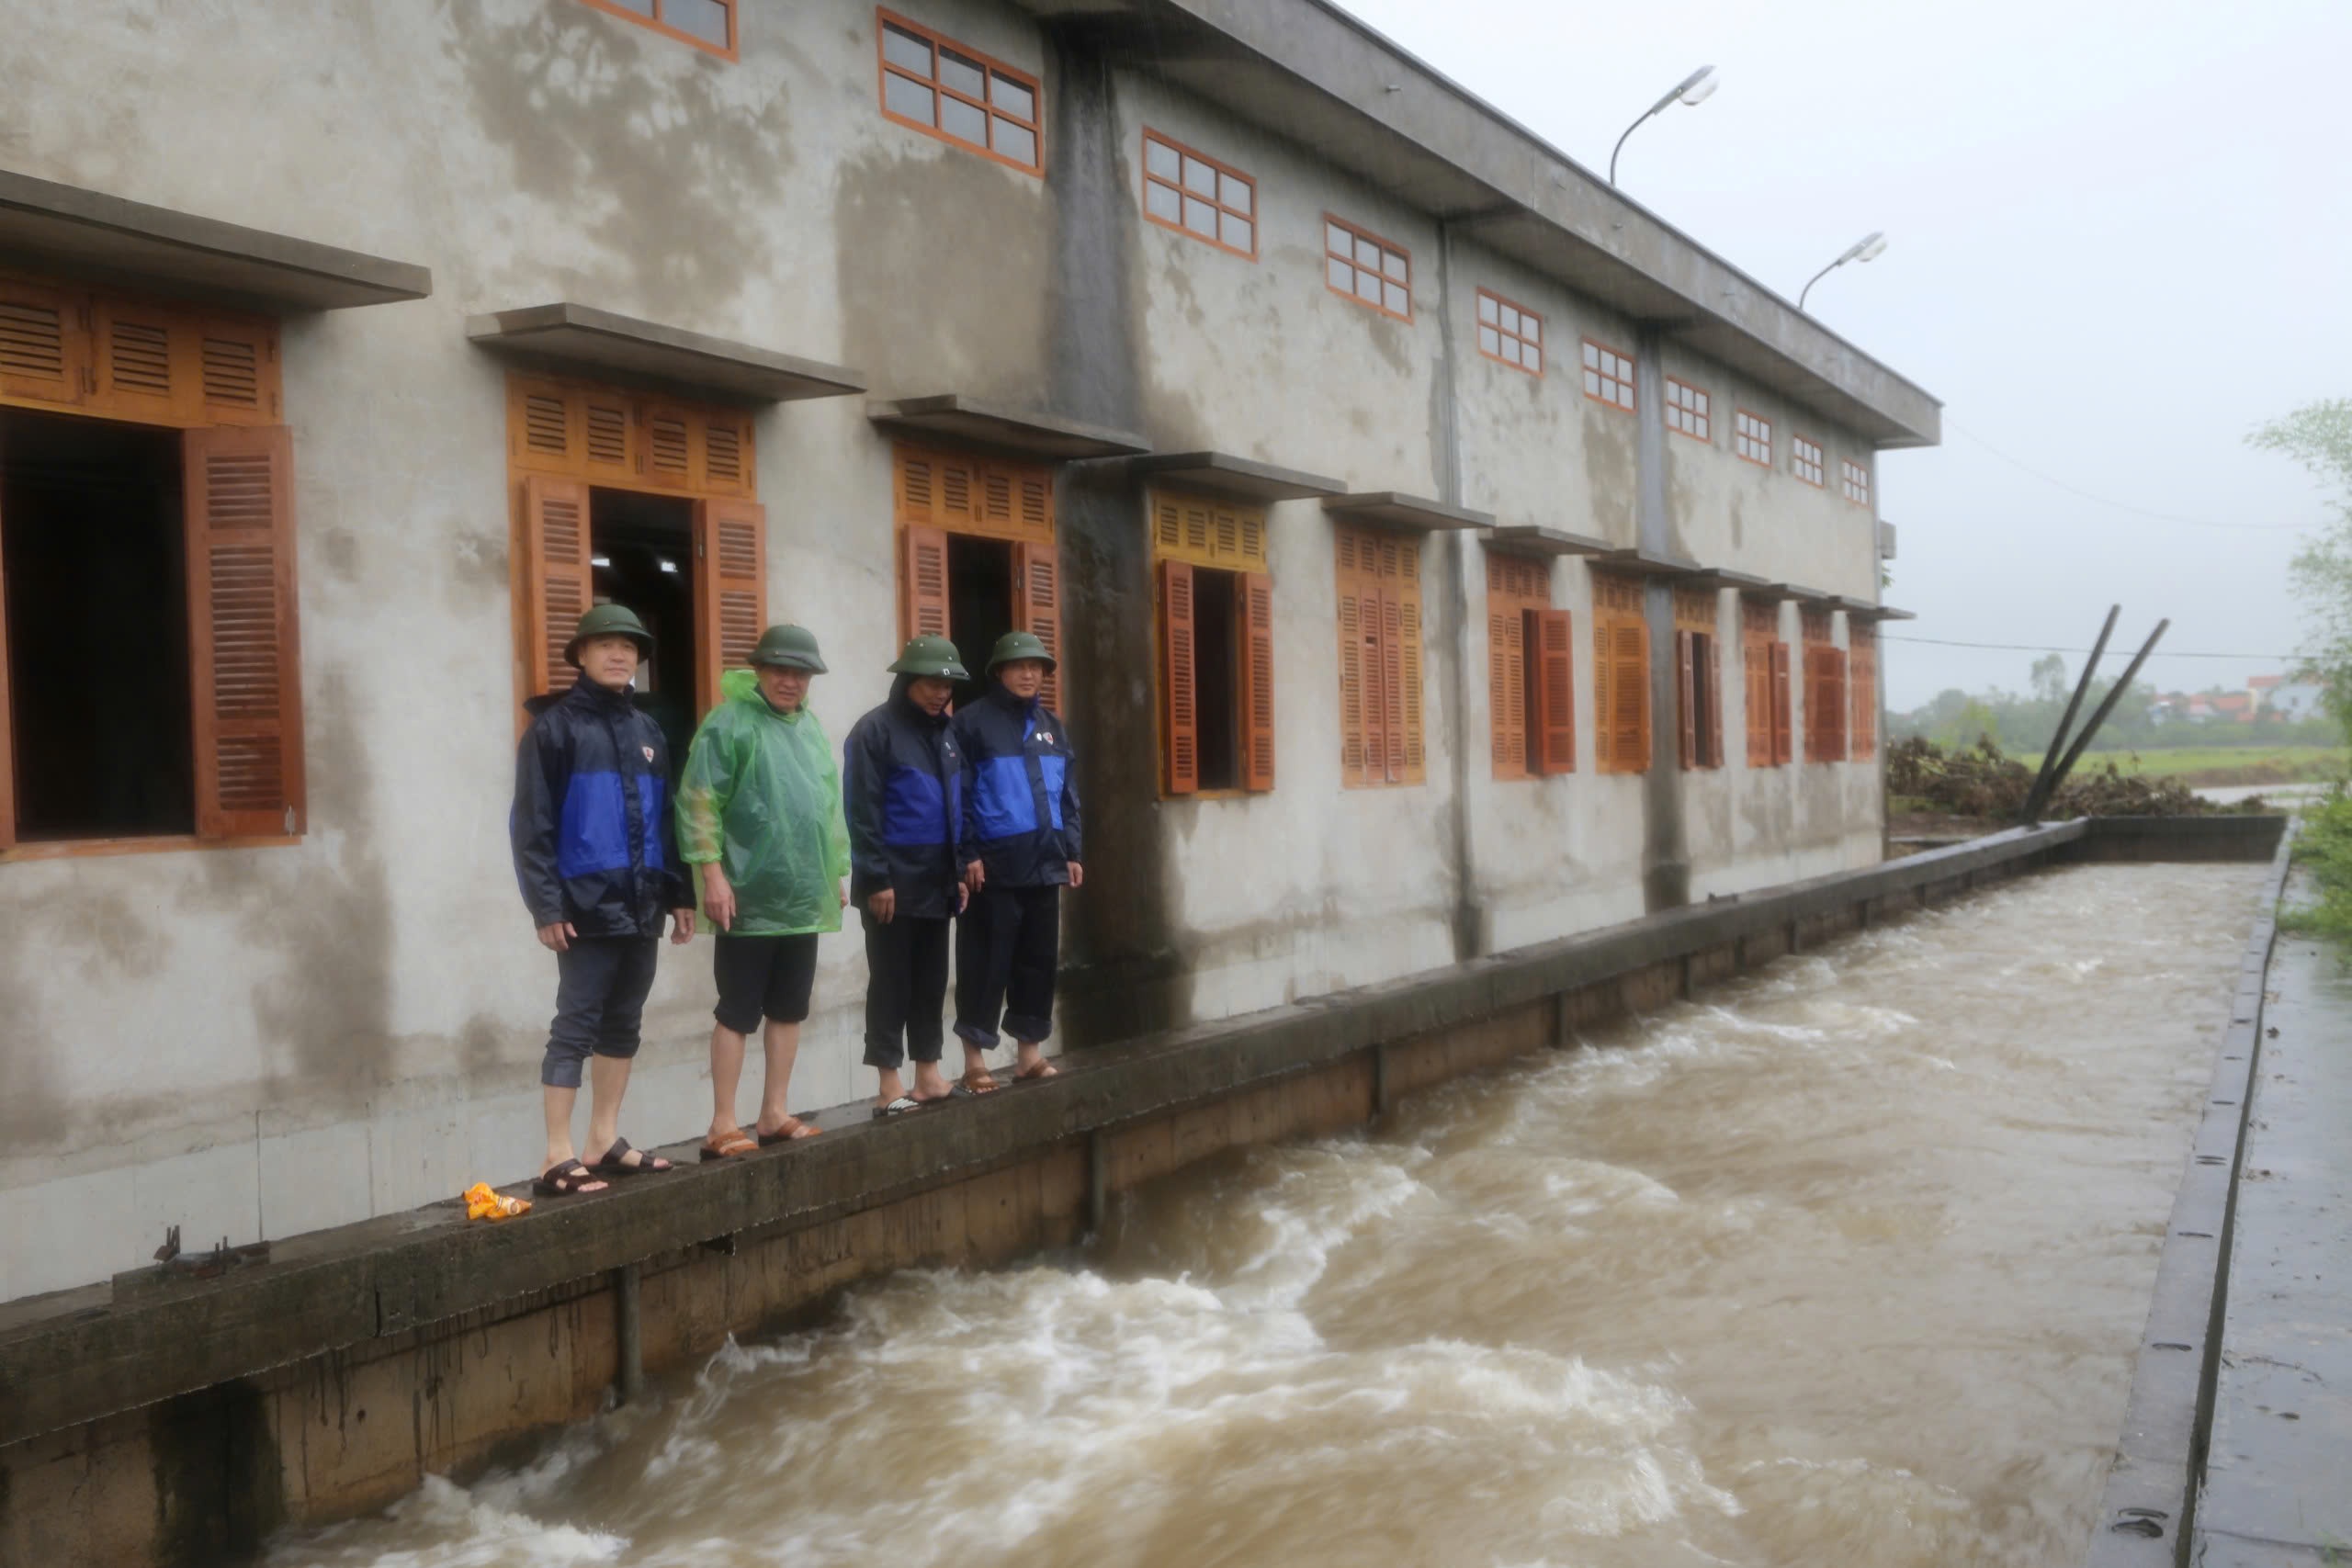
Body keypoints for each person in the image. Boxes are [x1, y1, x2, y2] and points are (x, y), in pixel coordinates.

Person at [511, 604, 694, 1197]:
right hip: (583, 907)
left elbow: (667, 821)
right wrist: (547, 906)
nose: (620, 655)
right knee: (575, 1024)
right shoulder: (553, 730)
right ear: (582, 656)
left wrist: (679, 892)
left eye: (630, 647)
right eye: (606, 645)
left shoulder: (648, 732)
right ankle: (555, 1154)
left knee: (624, 1022)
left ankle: (603, 1140)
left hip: (641, 904)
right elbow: (532, 826)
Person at [676, 624, 850, 1157]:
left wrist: (835, 871)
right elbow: (699, 800)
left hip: (801, 896)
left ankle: (774, 1111)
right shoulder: (728, 723)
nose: (790, 681)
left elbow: (826, 807)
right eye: (780, 669)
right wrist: (712, 873)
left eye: (801, 672)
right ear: (759, 670)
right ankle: (723, 1123)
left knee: (789, 1008)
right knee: (737, 1009)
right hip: (746, 897)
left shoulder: (810, 728)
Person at [842, 635, 972, 1117]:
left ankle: (929, 1073)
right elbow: (862, 811)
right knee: (891, 980)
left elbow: (956, 808)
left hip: (937, 880)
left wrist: (958, 870)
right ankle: (888, 1082)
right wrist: (876, 879)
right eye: (931, 682)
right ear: (907, 681)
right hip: (893, 881)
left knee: (932, 979)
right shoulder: (874, 731)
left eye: (948, 684)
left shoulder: (947, 734)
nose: (940, 692)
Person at [951, 631, 1081, 1088]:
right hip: (994, 866)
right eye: (1019, 665)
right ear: (999, 672)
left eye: (1037, 667)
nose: (1029, 674)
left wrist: (1073, 850)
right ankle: (975, 1064)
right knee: (984, 962)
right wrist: (967, 853)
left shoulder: (1052, 726)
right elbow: (959, 796)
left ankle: (1029, 1056)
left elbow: (1066, 795)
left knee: (1037, 963)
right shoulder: (970, 724)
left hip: (1045, 863)